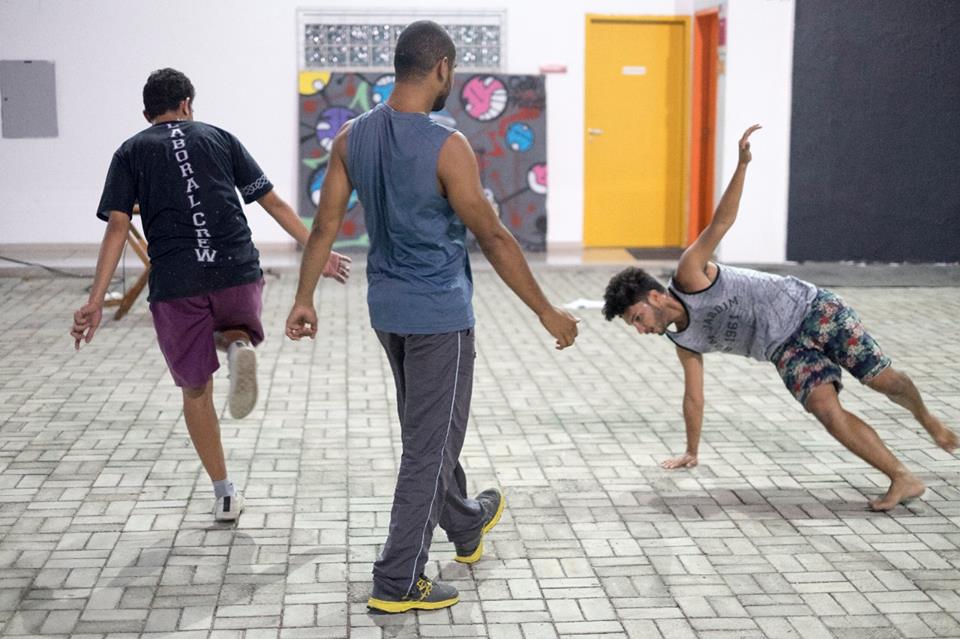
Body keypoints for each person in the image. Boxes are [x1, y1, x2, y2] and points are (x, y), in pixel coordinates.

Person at [285, 21, 579, 613]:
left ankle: (465, 521)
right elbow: (493, 237)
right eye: (454, 70)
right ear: (442, 67)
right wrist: (546, 311)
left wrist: (304, 297)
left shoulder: (350, 138)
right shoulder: (448, 145)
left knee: (428, 433)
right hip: (439, 315)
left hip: (387, 310)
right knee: (429, 447)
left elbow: (324, 226)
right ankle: (398, 577)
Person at [602, 125, 957, 512]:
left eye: (637, 318)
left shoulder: (689, 274)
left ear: (655, 297)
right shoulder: (684, 340)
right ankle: (902, 477)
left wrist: (742, 165)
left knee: (882, 380)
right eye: (634, 325)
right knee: (825, 411)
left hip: (812, 310)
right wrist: (692, 450)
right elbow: (693, 397)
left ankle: (926, 418)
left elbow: (721, 223)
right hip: (784, 350)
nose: (641, 329)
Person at [70, 68, 351, 522]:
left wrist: (96, 300)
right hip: (237, 271)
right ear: (187, 104)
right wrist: (318, 252)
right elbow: (274, 202)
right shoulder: (218, 137)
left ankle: (224, 494)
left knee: (196, 388)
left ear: (146, 114)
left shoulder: (130, 151)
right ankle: (237, 344)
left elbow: (118, 228)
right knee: (231, 325)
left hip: (177, 283)